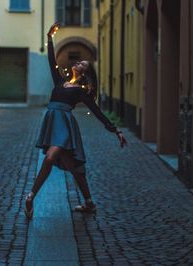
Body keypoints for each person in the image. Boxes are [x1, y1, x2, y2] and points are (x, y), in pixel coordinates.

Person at [25, 22, 127, 219]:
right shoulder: (59, 81)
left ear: (85, 74)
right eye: (80, 62)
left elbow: (97, 112)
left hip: (64, 128)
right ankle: (89, 203)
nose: (79, 63)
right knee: (74, 168)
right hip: (53, 122)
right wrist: (49, 39)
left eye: (83, 65)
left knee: (50, 158)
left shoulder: (81, 92)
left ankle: (31, 196)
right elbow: (50, 60)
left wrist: (116, 130)